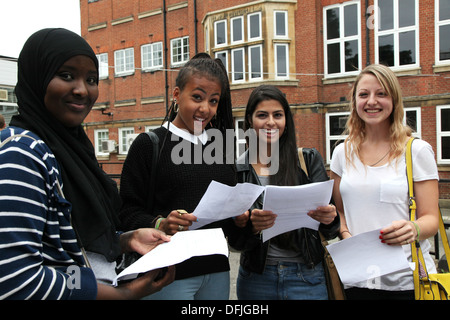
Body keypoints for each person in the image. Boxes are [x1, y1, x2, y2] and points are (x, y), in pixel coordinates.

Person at [0, 28, 174, 300]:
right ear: (37, 77)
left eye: (91, 79)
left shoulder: (72, 147)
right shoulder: (22, 154)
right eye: (66, 75)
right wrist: (120, 295)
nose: (82, 90)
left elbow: (67, 240)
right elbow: (16, 279)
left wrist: (127, 239)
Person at [119, 54, 243, 300]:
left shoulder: (222, 147)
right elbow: (125, 212)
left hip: (217, 272)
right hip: (167, 275)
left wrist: (243, 219)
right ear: (176, 95)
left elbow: (227, 221)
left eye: (214, 100)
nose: (205, 109)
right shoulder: (149, 144)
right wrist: (160, 223)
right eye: (197, 97)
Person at [330, 64, 439, 300]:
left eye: (381, 94)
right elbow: (339, 210)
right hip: (357, 278)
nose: (372, 101)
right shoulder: (342, 153)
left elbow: (432, 219)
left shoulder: (416, 151)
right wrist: (346, 234)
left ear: (394, 100)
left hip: (408, 283)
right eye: (364, 94)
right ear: (355, 101)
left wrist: (413, 228)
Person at [228, 85, 340, 300]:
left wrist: (329, 218)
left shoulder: (308, 160)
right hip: (256, 280)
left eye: (277, 115)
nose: (271, 122)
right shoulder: (237, 170)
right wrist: (249, 227)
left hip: (307, 278)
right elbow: (235, 242)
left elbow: (332, 228)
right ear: (250, 121)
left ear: (286, 120)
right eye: (262, 115)